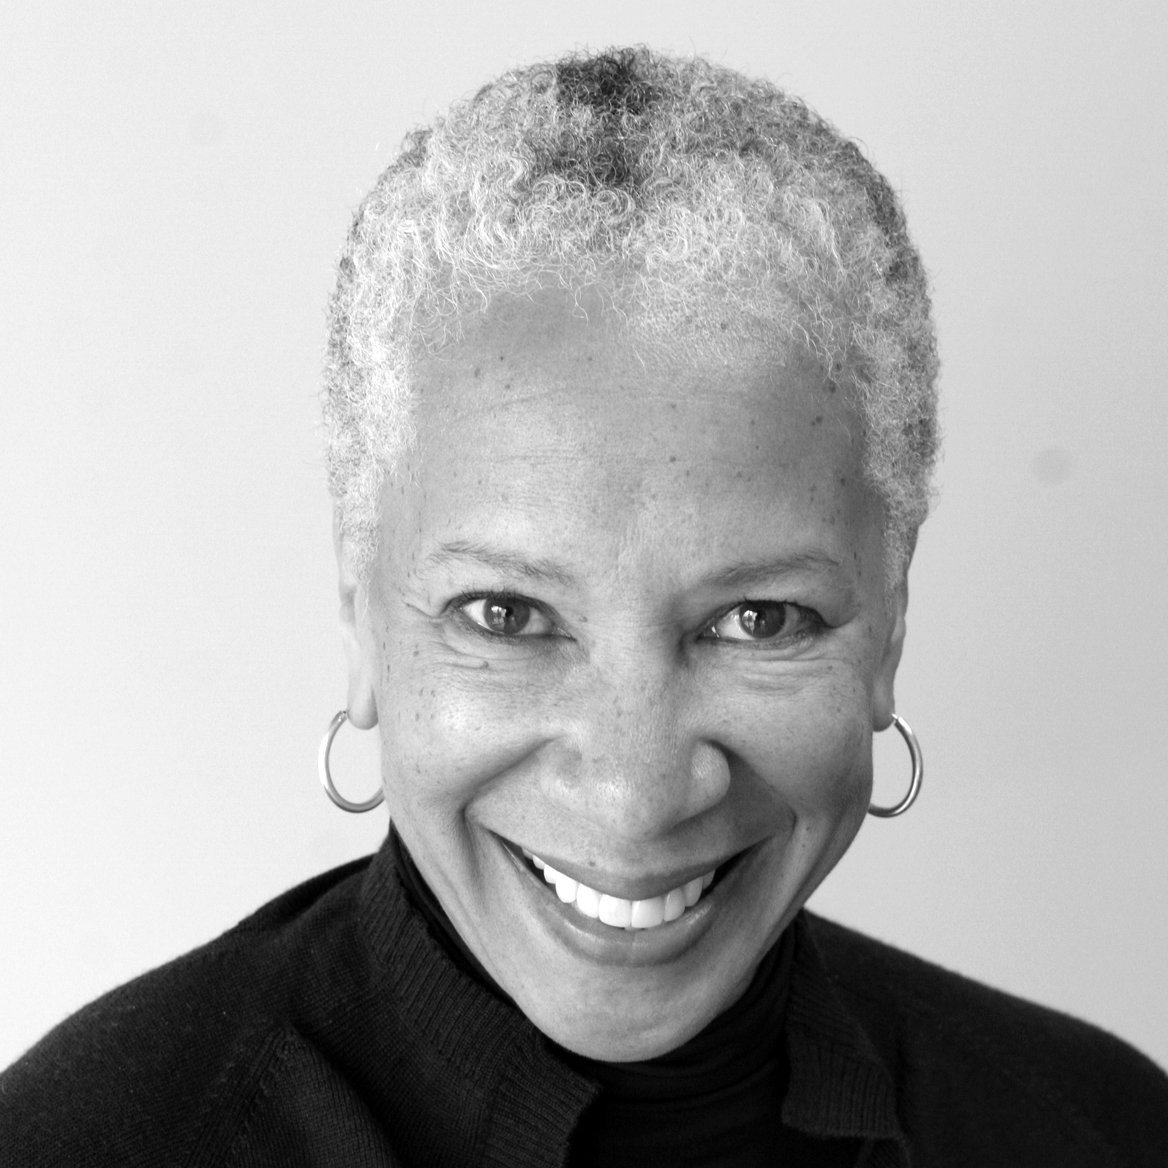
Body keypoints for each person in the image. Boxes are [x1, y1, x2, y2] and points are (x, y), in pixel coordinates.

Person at [2, 45, 1165, 1167]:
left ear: (889, 624)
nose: (635, 795)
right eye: (506, 614)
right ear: (360, 612)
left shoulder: (1101, 1129)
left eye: (758, 619)